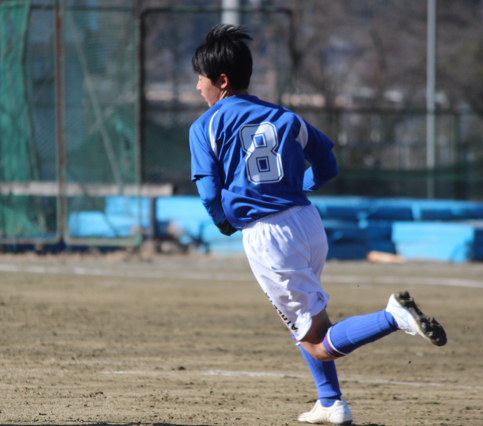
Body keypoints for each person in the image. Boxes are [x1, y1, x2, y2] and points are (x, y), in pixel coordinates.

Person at [189, 24, 447, 425]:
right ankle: (330, 402)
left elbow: (208, 192)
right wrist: (297, 186)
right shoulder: (285, 117)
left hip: (269, 236)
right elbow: (328, 163)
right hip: (308, 223)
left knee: (317, 342)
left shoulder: (204, 125)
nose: (198, 89)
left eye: (201, 81)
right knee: (306, 322)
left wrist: (222, 221)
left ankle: (393, 316)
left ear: (220, 82)